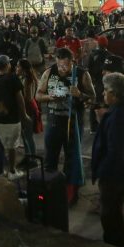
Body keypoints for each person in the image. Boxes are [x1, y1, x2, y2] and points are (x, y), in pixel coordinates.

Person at [36, 47, 95, 205]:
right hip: (54, 120)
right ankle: (51, 188)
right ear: (56, 61)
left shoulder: (82, 74)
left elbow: (93, 98)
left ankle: (70, 192)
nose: (63, 69)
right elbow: (38, 95)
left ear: (72, 62)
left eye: (66, 66)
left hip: (73, 121)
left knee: (72, 158)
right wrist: (49, 96)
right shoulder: (48, 73)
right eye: (60, 65)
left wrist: (80, 95)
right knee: (50, 156)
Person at [91, 72, 124, 247]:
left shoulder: (119, 116)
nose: (103, 94)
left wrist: (101, 174)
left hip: (114, 177)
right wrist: (104, 119)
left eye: (106, 91)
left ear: (115, 94)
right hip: (122, 174)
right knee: (115, 215)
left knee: (110, 218)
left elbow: (115, 153)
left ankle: (117, 246)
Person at [0, 55, 31, 179]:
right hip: (11, 119)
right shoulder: (13, 79)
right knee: (12, 146)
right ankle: (11, 171)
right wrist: (25, 115)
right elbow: (20, 99)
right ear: (7, 65)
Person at [16, 58, 41, 160]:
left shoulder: (27, 79)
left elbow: (28, 97)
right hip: (29, 107)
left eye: (18, 66)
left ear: (23, 68)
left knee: (28, 136)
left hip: (28, 108)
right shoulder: (27, 77)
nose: (16, 68)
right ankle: (29, 156)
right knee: (25, 136)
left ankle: (32, 158)